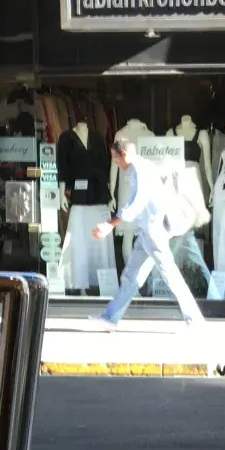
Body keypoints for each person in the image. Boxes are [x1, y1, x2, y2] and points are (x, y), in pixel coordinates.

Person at [90, 136, 204, 326]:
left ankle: (194, 319)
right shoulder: (141, 167)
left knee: (169, 275)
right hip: (147, 231)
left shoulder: (140, 169)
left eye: (115, 157)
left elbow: (137, 202)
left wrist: (110, 224)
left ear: (124, 154)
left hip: (153, 231)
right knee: (131, 277)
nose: (115, 162)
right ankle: (111, 317)